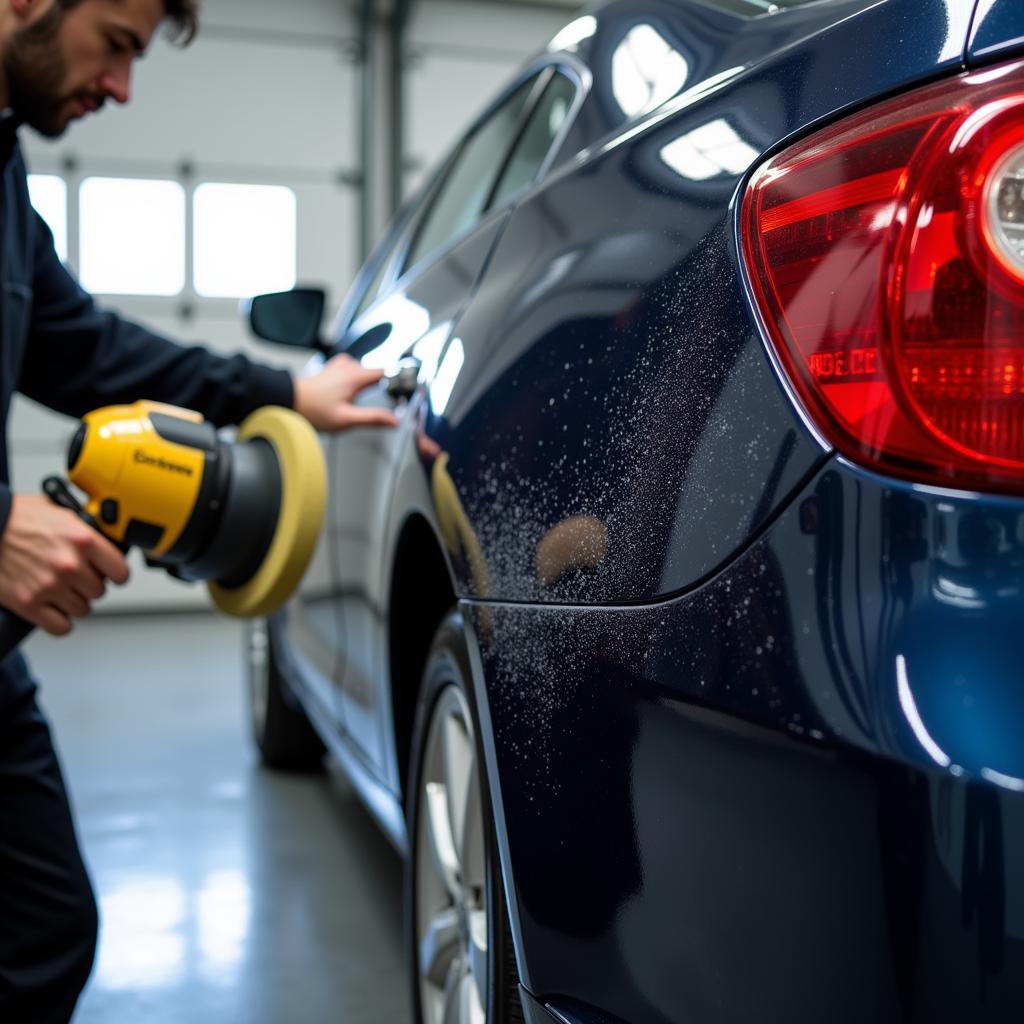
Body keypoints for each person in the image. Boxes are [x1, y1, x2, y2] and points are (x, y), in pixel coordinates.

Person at [0, 1, 396, 1020]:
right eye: (120, 45)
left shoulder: (3, 177)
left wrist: (282, 394)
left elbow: (87, 349)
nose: (122, 87)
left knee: (42, 928)